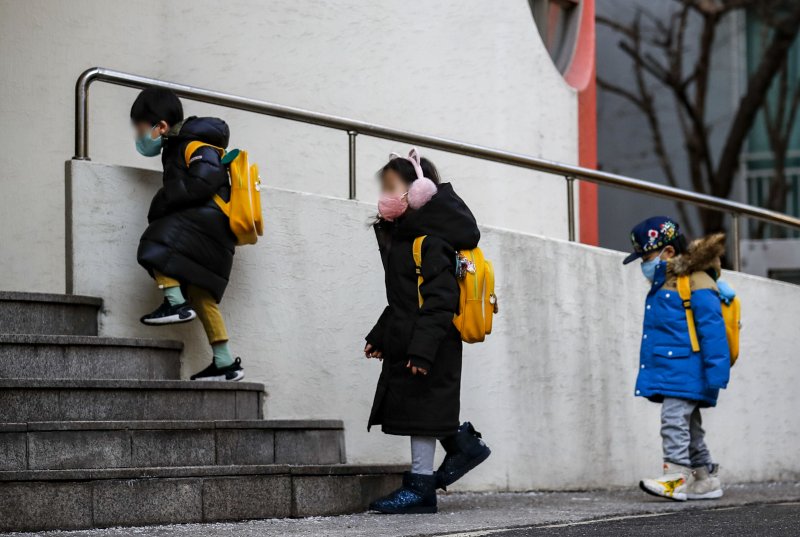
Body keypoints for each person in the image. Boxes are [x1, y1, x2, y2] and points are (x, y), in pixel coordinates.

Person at [364, 148, 491, 514]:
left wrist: (422, 351)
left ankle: (420, 488)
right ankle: (464, 445)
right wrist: (380, 336)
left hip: (432, 343)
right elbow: (404, 301)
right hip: (415, 339)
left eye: (393, 186)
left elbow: (440, 301)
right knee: (422, 408)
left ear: (419, 191)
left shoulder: (429, 241)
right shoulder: (406, 238)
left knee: (422, 413)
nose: (386, 194)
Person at [130, 87, 244, 381]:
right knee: (201, 293)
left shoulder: (194, 144)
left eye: (141, 129)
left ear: (162, 126)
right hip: (211, 229)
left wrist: (165, 198)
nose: (139, 137)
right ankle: (225, 363)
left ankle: (175, 303)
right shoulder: (180, 146)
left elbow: (204, 180)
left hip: (209, 222)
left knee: (156, 243)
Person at [623, 217, 731, 501]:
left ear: (668, 252)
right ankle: (705, 477)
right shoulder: (667, 282)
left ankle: (676, 477)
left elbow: (713, 329)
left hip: (688, 368)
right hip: (678, 368)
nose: (643, 264)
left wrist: (717, 373)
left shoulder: (695, 281)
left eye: (646, 257)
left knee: (673, 420)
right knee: (690, 425)